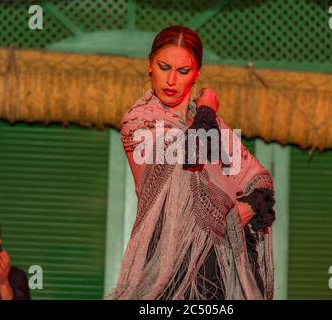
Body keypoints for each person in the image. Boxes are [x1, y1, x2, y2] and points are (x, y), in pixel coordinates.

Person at [111, 25, 275, 300]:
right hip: (170, 260)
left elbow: (260, 180)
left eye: (183, 71)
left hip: (222, 265)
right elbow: (189, 160)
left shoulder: (210, 125)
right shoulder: (139, 121)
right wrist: (207, 110)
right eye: (164, 67)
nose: (171, 80)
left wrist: (248, 206)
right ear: (150, 65)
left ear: (196, 73)